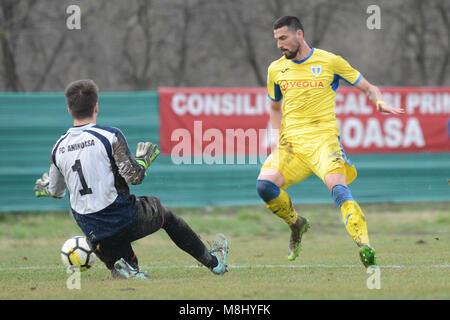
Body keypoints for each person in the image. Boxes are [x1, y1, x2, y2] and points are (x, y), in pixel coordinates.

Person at [34, 79, 229, 279]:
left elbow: (56, 191)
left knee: (125, 263)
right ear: (96, 107)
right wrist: (143, 161)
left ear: (69, 109)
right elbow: (134, 177)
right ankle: (214, 263)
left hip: (92, 230)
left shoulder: (58, 148)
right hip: (121, 217)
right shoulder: (109, 136)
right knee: (165, 215)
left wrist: (45, 188)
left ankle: (125, 268)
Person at [256, 16, 404, 267]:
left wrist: (378, 100)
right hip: (292, 146)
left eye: (284, 38)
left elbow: (368, 87)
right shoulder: (275, 69)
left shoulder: (330, 61)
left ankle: (364, 246)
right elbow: (274, 107)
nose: (279, 44)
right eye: (276, 40)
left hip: (324, 142)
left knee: (338, 188)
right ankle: (296, 224)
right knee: (265, 186)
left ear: (299, 34)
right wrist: (276, 138)